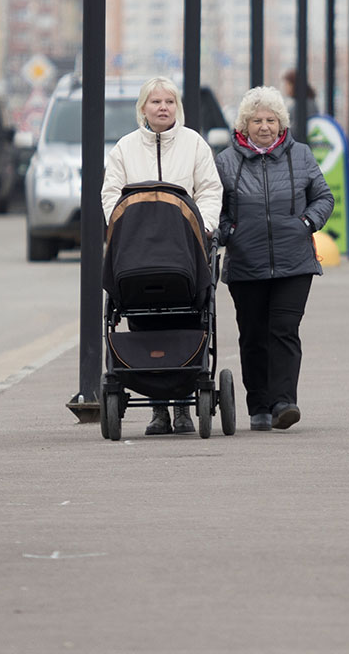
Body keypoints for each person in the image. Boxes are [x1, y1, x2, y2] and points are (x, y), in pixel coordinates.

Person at [101, 76, 224, 435]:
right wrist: (119, 228)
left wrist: (205, 227)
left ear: (177, 107)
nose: (163, 107)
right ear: (143, 108)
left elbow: (210, 190)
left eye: (169, 101)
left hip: (184, 249)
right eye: (155, 102)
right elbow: (111, 195)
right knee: (143, 322)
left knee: (188, 320)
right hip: (137, 252)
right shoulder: (125, 148)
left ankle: (184, 407)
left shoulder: (194, 145)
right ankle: (159, 410)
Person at [216, 86, 334, 431]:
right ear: (244, 124)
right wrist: (230, 232)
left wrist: (307, 224)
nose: (264, 126)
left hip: (294, 261)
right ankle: (259, 406)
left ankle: (285, 402)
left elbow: (323, 197)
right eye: (256, 120)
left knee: (284, 330)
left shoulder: (301, 156)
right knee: (253, 335)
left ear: (281, 124)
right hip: (246, 263)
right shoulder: (226, 161)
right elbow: (214, 208)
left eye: (271, 120)